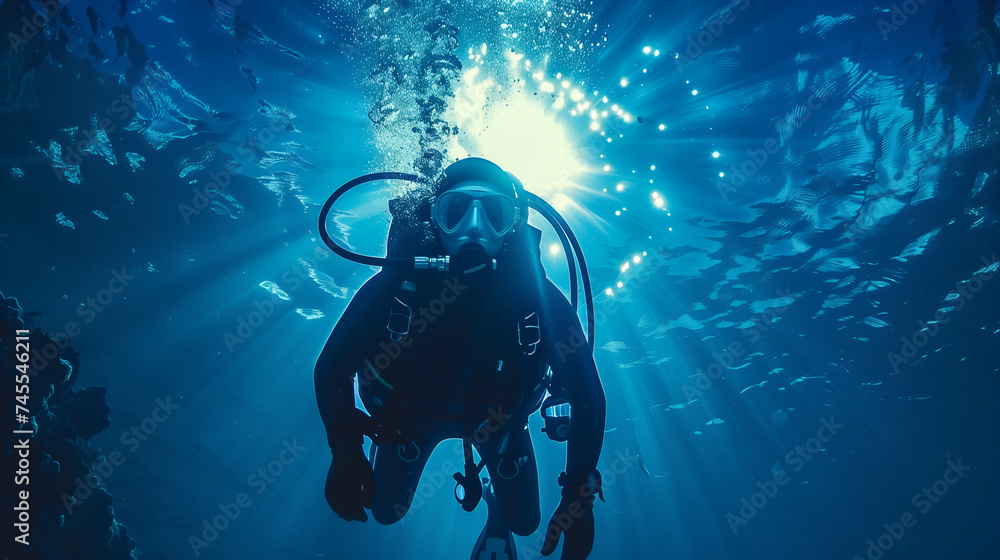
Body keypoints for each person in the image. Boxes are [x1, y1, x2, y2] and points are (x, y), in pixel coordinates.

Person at [314, 157, 606, 559]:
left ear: (512, 224)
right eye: (455, 211)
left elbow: (588, 394)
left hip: (499, 421)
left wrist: (580, 494)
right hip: (406, 421)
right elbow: (331, 368)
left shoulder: (535, 295)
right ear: (434, 218)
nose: (473, 226)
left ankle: (497, 516)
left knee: (525, 523)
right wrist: (345, 450)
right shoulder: (398, 284)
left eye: (493, 213)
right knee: (384, 511)